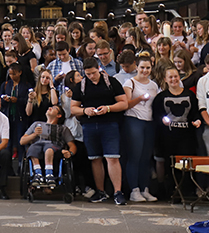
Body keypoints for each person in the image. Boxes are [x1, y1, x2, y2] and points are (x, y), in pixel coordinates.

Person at [70, 57, 129, 205]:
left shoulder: (111, 82)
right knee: (95, 159)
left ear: (99, 69)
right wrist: (85, 110)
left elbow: (123, 103)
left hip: (109, 123)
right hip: (89, 125)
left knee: (112, 157)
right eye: (88, 74)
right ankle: (100, 191)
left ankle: (117, 191)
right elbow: (73, 108)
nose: (91, 76)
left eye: (94, 73)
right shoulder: (81, 86)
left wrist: (108, 108)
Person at [153, 66, 201, 199]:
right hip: (168, 137)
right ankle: (172, 191)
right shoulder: (161, 97)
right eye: (170, 77)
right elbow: (157, 116)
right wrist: (162, 120)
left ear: (179, 77)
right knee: (171, 165)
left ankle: (187, 191)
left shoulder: (189, 95)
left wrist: (197, 120)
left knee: (185, 164)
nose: (173, 79)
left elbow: (195, 113)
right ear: (165, 79)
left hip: (186, 137)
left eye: (175, 76)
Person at [122, 55, 159, 202]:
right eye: (142, 67)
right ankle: (133, 190)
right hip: (133, 120)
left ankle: (145, 189)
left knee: (146, 157)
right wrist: (140, 99)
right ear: (136, 67)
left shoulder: (153, 85)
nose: (145, 70)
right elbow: (126, 104)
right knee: (135, 156)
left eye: (148, 68)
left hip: (148, 122)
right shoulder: (129, 82)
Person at [20, 105, 76, 187]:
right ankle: (37, 173)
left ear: (59, 115)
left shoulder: (63, 128)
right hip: (37, 145)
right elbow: (22, 141)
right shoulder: (36, 124)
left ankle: (49, 174)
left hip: (54, 146)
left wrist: (70, 153)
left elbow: (72, 145)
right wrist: (34, 134)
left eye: (54, 108)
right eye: (50, 107)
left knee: (49, 148)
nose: (50, 108)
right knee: (32, 148)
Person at [0, 62, 32, 168]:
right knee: (7, 143)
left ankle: (21, 166)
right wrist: (5, 99)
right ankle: (7, 167)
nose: (12, 76)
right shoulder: (6, 84)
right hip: (8, 116)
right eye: (10, 74)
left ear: (20, 73)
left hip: (20, 117)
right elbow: (0, 100)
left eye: (14, 74)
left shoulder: (26, 85)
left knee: (20, 142)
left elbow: (27, 101)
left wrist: (16, 100)